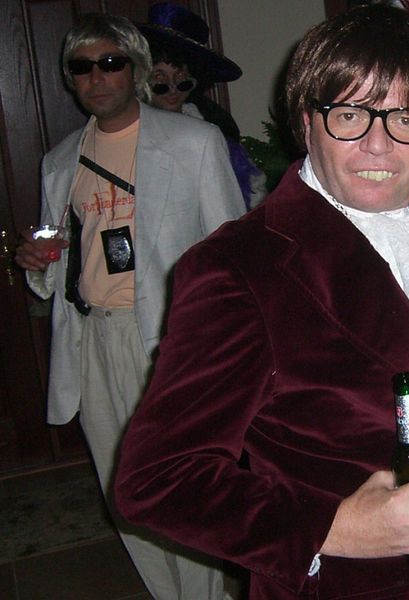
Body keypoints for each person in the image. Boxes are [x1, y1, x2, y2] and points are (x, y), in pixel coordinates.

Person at [114, 5, 409, 599]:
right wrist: (331, 528)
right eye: (350, 115)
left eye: (406, 117)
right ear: (306, 121)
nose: (378, 145)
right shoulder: (241, 268)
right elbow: (159, 479)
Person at [14, 13, 244, 600]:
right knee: (124, 492)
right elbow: (59, 263)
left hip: (168, 339)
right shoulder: (60, 161)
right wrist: (38, 262)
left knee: (180, 484)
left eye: (110, 63)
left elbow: (233, 249)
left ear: (136, 68)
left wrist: (220, 349)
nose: (96, 77)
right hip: (92, 338)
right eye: (82, 67)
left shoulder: (192, 143)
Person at [138, 2, 267, 210]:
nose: (173, 89)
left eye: (181, 78)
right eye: (160, 79)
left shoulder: (215, 128)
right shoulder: (130, 132)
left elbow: (252, 198)